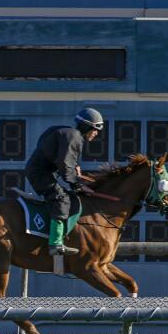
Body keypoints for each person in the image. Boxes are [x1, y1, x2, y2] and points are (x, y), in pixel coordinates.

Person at [24, 107, 105, 258]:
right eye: (95, 129)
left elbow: (62, 159)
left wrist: (74, 169)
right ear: (87, 127)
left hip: (40, 171)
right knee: (62, 199)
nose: (96, 134)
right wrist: (78, 185)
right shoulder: (74, 136)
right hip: (41, 174)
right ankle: (55, 243)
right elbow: (64, 164)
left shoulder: (65, 132)